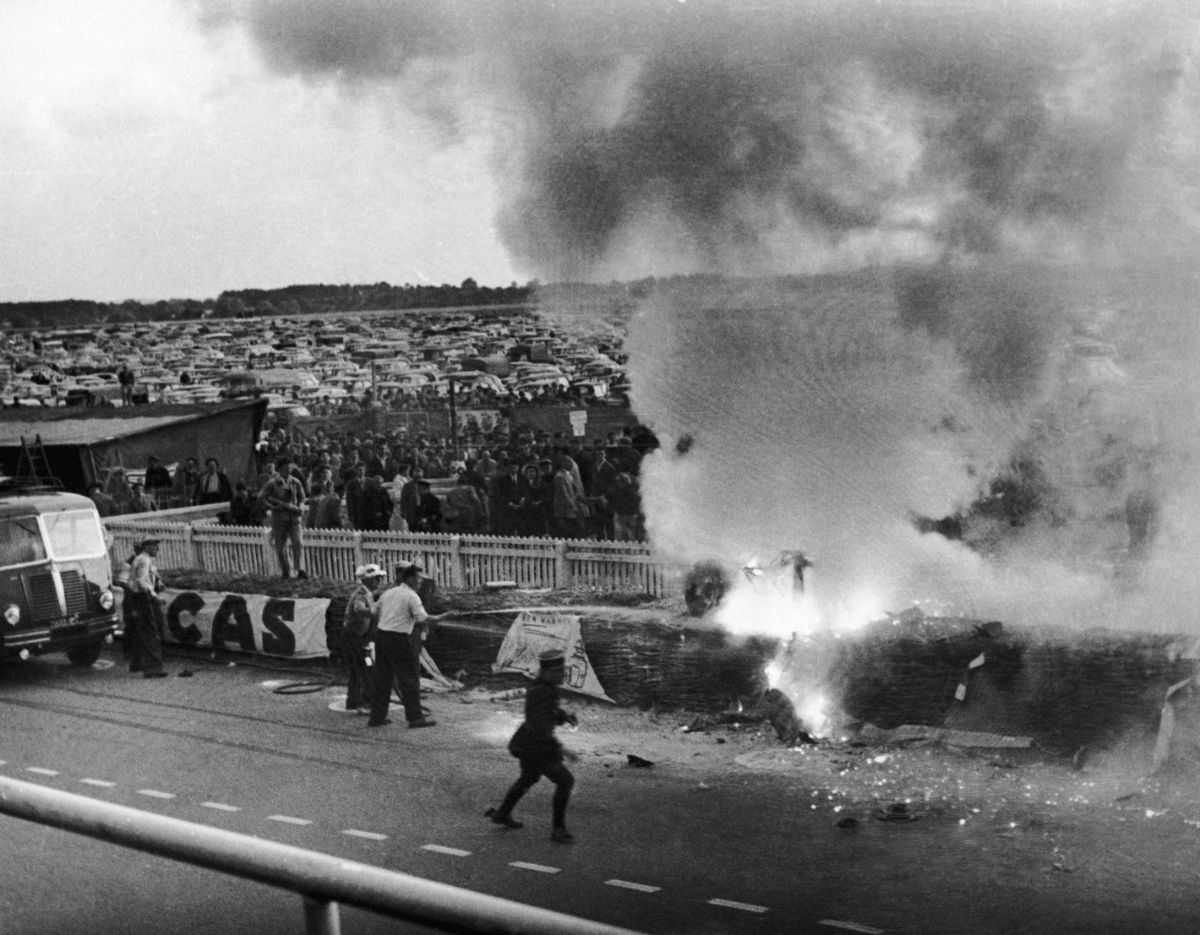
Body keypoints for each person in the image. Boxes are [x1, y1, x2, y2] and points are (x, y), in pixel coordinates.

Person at [485, 649, 578, 843]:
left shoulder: (545, 687)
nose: (563, 674)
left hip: (528, 743)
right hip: (537, 746)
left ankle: (502, 814)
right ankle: (558, 829)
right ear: (548, 672)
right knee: (565, 781)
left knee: (528, 778)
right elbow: (540, 725)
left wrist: (564, 717)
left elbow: (548, 712)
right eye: (559, 671)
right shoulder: (542, 691)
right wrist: (561, 748)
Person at [367, 564, 448, 729]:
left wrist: (388, 620)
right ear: (410, 578)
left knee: (383, 679)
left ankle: (376, 717)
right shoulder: (412, 596)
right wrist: (443, 616)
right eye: (418, 579)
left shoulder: (388, 593)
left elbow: (374, 612)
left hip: (382, 637)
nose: (420, 582)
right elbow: (423, 618)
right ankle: (415, 718)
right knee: (409, 679)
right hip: (401, 639)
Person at [343, 563, 385, 713]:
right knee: (363, 668)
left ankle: (354, 700)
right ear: (366, 580)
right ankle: (362, 701)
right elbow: (359, 609)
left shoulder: (369, 594)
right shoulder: (361, 594)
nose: (378, 581)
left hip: (360, 636)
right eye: (375, 578)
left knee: (362, 667)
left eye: (379, 578)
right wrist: (376, 612)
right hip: (354, 637)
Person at [127, 536, 168, 678]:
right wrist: (156, 596)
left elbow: (146, 577)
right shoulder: (145, 560)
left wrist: (159, 583)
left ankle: (137, 663)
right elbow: (142, 581)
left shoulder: (141, 559)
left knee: (141, 632)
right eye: (155, 545)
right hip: (142, 598)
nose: (158, 548)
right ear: (147, 547)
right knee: (151, 633)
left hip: (136, 598)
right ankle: (153, 668)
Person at [260, 456, 306, 578]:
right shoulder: (272, 483)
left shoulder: (295, 482)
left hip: (294, 518)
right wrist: (273, 507)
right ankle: (286, 570)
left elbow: (302, 497)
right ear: (279, 469)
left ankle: (299, 569)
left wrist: (300, 507)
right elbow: (262, 498)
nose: (289, 470)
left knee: (298, 543)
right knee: (281, 546)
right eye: (286, 468)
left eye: (290, 468)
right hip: (279, 519)